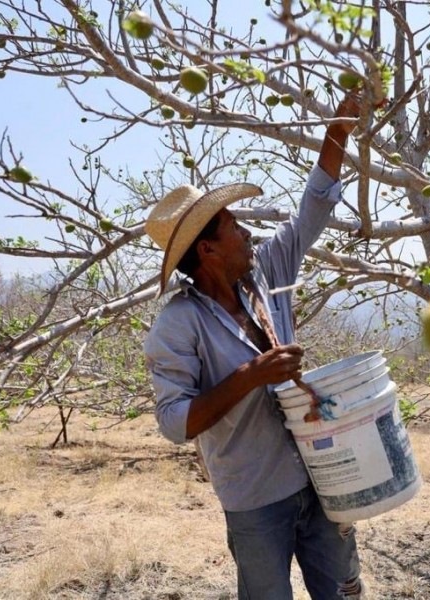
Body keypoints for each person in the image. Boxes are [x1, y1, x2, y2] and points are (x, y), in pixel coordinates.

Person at [143, 92, 364, 599]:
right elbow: (175, 422)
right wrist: (250, 376)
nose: (247, 233)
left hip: (319, 472)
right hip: (256, 499)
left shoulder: (265, 276)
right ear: (208, 249)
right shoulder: (178, 326)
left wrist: (338, 130)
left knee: (342, 592)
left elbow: (313, 208)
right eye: (235, 226)